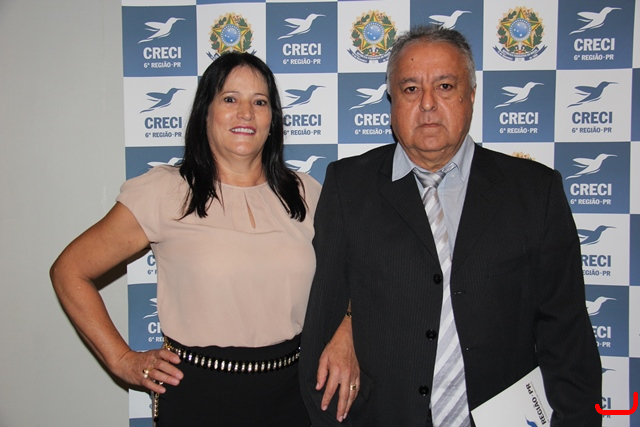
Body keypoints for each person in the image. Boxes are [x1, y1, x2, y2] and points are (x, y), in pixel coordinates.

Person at [300, 25, 601, 426]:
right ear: (391, 100)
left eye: (444, 86)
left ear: (471, 95)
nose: (427, 103)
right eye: (410, 89)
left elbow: (567, 335)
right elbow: (322, 325)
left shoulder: (535, 192)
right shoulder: (348, 186)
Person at [50, 52, 357, 426]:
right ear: (205, 112)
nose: (246, 113)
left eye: (259, 102)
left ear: (273, 119)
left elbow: (354, 274)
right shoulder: (164, 191)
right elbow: (70, 270)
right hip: (196, 399)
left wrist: (347, 332)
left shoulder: (307, 193)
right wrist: (121, 359)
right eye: (230, 99)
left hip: (293, 397)